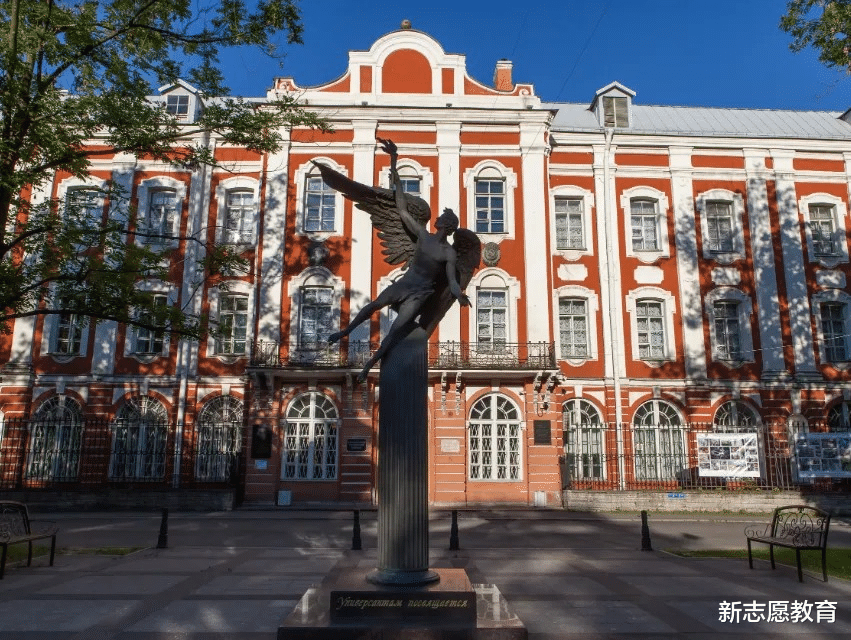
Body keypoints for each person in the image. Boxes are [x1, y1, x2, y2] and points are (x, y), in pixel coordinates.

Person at [327, 138, 471, 381]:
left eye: (442, 218)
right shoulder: (422, 235)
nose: (437, 218)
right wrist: (393, 162)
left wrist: (459, 295)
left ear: (446, 226)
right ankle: (346, 331)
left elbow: (452, 281)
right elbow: (402, 208)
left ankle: (369, 366)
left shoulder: (449, 253)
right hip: (405, 284)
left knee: (394, 332)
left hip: (419, 294)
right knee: (374, 305)